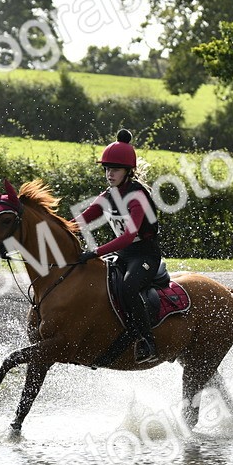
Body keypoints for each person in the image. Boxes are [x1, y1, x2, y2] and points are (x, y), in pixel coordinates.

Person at [71, 129, 163, 363]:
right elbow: (81, 220)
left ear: (128, 172)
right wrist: (54, 230)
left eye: (115, 170)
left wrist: (95, 251)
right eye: (107, 169)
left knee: (129, 287)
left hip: (145, 256)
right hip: (123, 255)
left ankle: (147, 341)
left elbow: (128, 236)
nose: (109, 174)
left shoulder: (137, 196)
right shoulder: (108, 195)